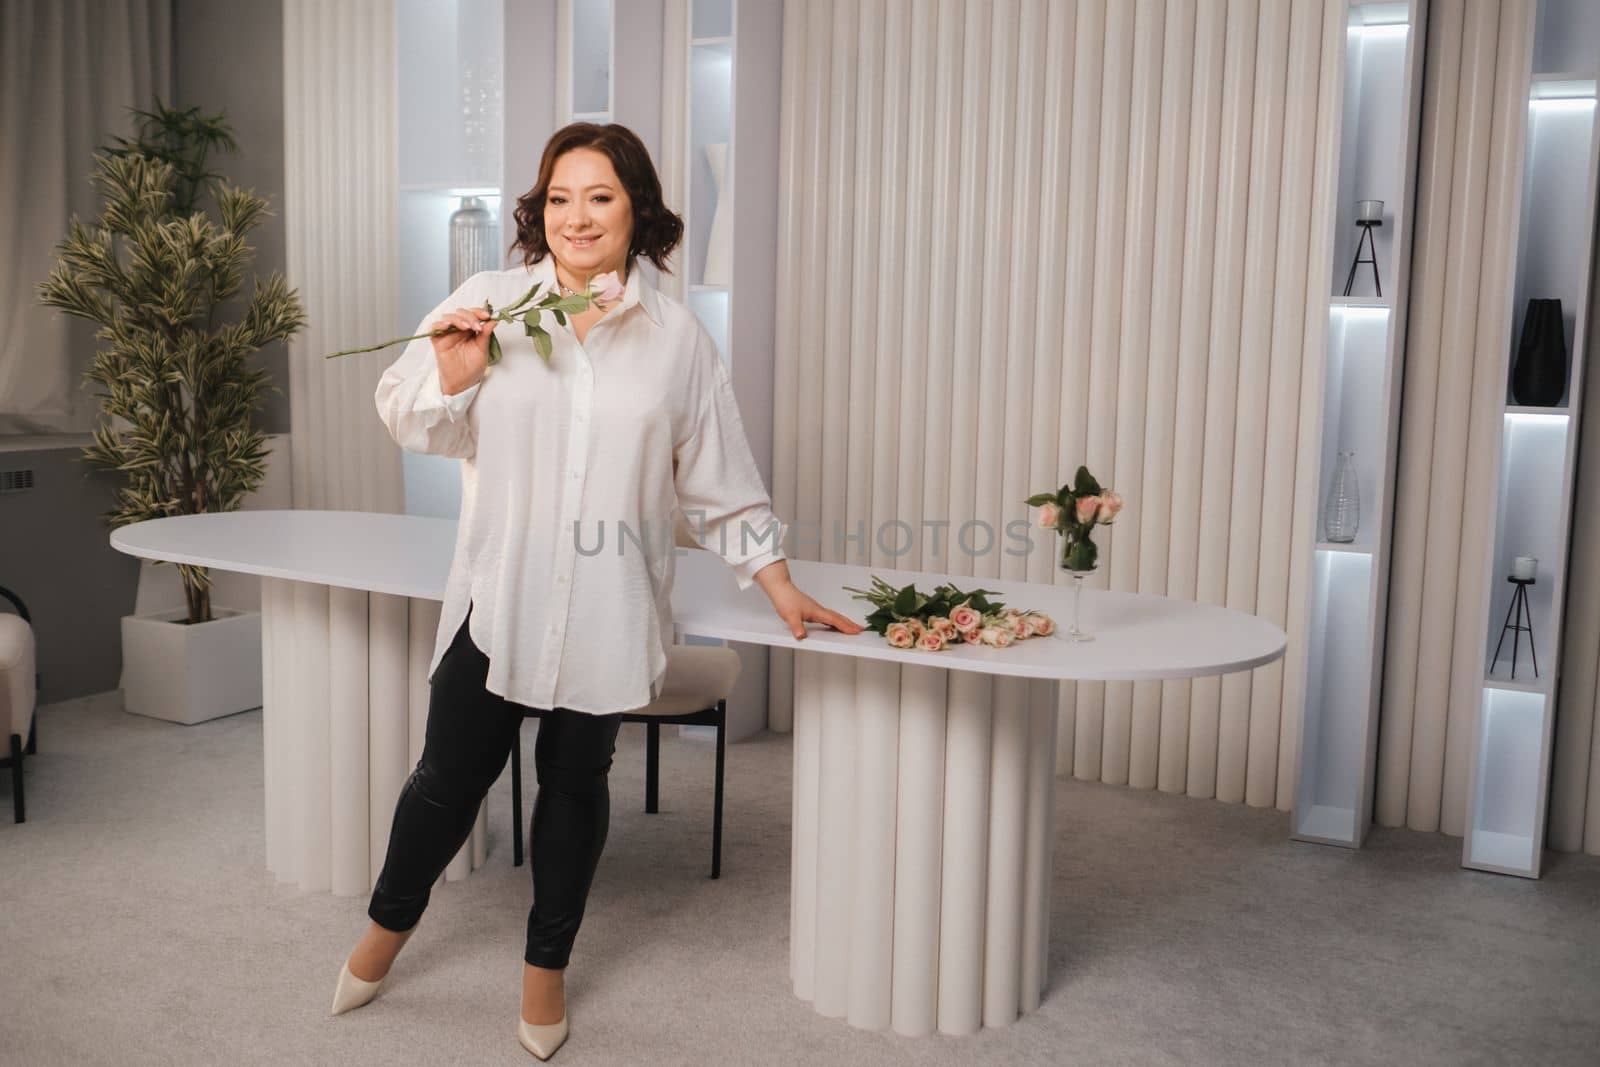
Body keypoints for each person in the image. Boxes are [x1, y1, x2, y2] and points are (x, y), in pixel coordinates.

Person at [336, 122, 863, 1060]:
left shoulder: (678, 340)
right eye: (560, 196)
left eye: (601, 196)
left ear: (638, 211)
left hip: (612, 599)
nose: (576, 215)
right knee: (445, 783)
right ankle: (385, 929)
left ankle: (546, 966)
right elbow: (409, 415)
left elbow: (721, 478)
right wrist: (456, 371)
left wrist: (780, 586)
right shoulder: (490, 304)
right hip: (496, 595)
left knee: (574, 782)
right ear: (539, 210)